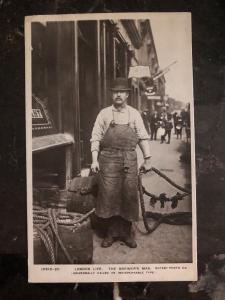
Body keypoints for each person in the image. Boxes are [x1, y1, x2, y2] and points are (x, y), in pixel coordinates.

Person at [90, 78, 151, 248]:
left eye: (122, 92)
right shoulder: (104, 114)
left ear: (127, 94)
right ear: (111, 94)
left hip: (128, 160)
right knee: (109, 195)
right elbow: (95, 137)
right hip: (107, 159)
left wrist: (148, 159)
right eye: (115, 91)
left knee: (129, 195)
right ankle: (110, 233)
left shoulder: (134, 114)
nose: (118, 94)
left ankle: (126, 233)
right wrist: (94, 160)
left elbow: (143, 137)